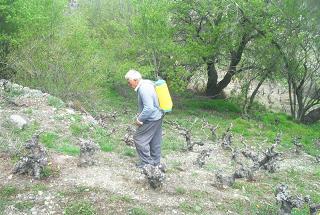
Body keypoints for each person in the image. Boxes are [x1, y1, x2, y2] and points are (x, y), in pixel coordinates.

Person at [125, 69, 164, 169]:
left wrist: (139, 119)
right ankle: (156, 162)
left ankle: (147, 163)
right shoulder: (148, 83)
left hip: (151, 118)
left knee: (139, 138)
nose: (129, 85)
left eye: (129, 82)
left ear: (135, 80)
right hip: (158, 116)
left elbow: (149, 108)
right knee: (155, 140)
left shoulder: (143, 88)